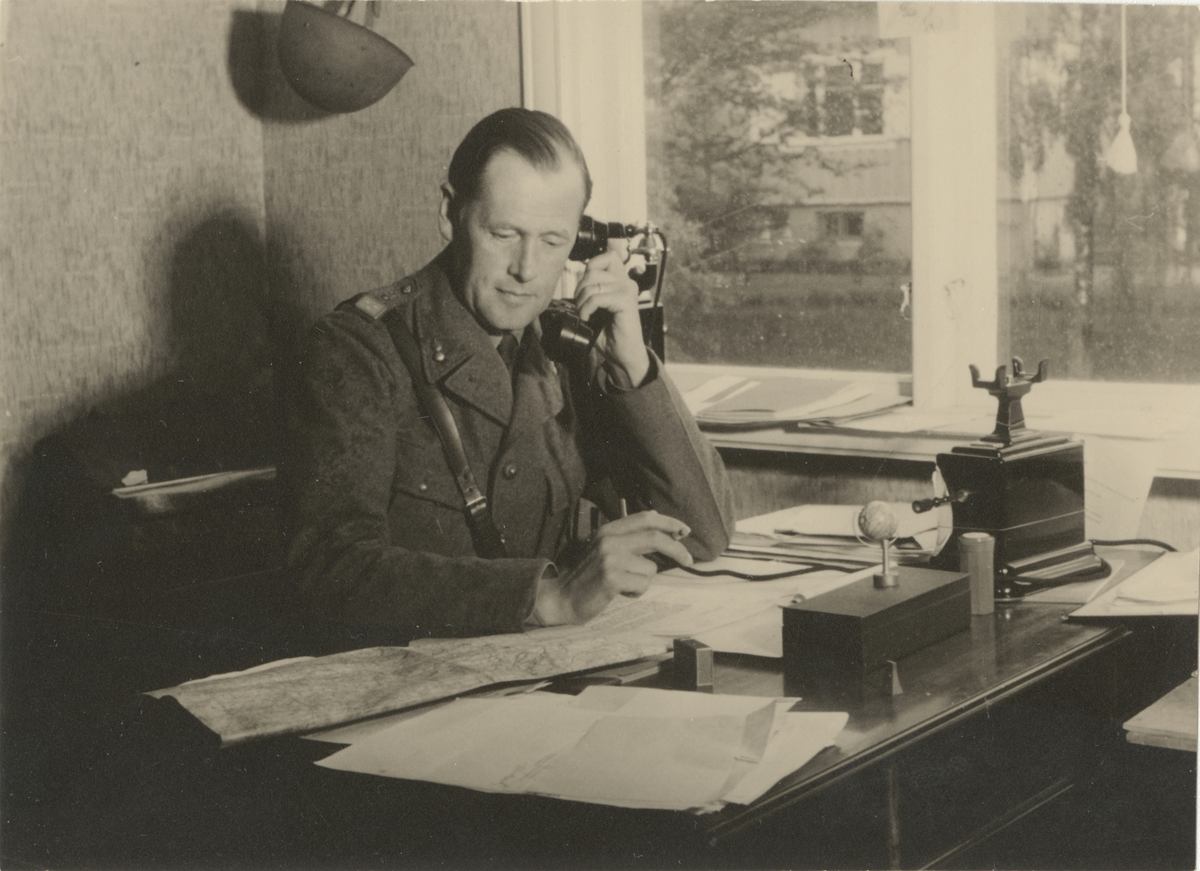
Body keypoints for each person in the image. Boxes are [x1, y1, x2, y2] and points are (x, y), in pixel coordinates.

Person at [285, 107, 734, 638]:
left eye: (553, 241)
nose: (527, 269)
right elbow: (329, 571)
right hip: (408, 674)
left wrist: (631, 365)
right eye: (504, 234)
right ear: (450, 213)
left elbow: (700, 535)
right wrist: (547, 597)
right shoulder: (359, 350)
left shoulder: (562, 348)